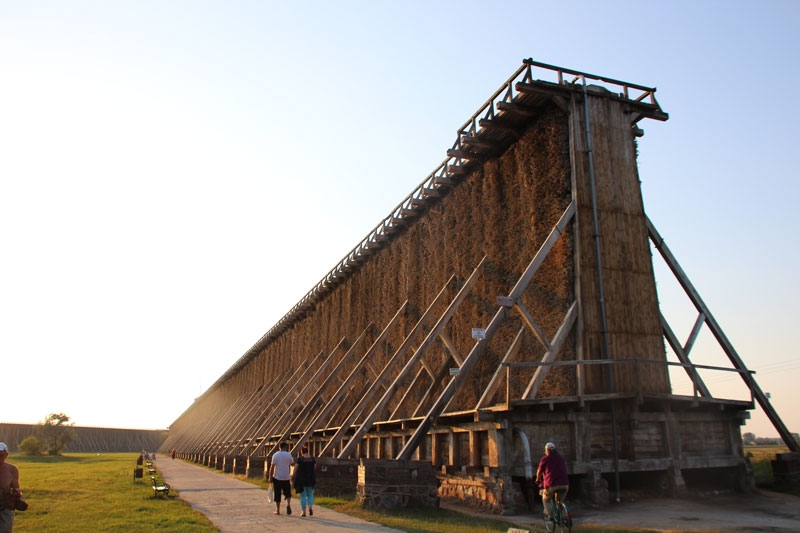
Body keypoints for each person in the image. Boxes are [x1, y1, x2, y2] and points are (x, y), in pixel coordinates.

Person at [535, 441, 569, 520]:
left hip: (552, 484)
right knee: (560, 502)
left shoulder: (545, 459)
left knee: (545, 499)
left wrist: (537, 479)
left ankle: (550, 516)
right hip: (565, 484)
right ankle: (563, 517)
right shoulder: (560, 458)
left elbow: (539, 471)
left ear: (547, 450)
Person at [0, 442, 21, 533]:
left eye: (1, 454)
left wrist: (17, 495)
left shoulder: (12, 469)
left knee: (5, 530)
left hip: (5, 505)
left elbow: (16, 487)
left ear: (6, 454)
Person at [269, 442, 294, 515]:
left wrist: (270, 477)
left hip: (277, 477)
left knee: (277, 493)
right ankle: (288, 504)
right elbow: (292, 464)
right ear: (285, 447)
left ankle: (278, 510)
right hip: (286, 477)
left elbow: (272, 467)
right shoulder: (288, 455)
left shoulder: (275, 455)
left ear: (279, 447)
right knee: (288, 493)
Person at [292, 445, 316, 517]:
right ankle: (310, 507)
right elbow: (315, 468)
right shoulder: (312, 459)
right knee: (310, 494)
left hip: (301, 479)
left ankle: (304, 512)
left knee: (303, 496)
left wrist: (293, 475)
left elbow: (296, 468)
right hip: (310, 479)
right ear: (307, 451)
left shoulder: (300, 459)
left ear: (302, 452)